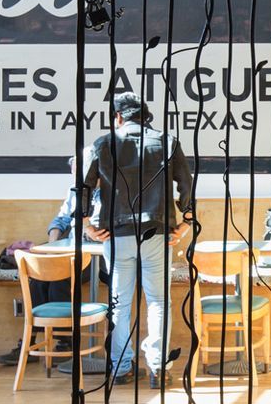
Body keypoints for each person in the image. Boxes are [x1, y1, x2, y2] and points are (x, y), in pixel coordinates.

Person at [79, 92, 195, 387]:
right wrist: (186, 223)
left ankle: (120, 368)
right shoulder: (166, 142)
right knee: (158, 300)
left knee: (119, 303)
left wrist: (85, 225)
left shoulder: (103, 144)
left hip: (116, 235)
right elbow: (186, 182)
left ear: (118, 117)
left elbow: (81, 184)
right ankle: (158, 368)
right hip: (156, 232)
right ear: (146, 117)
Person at [0, 157, 86, 368]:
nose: (75, 175)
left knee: (59, 279)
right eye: (73, 171)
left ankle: (65, 342)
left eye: (79, 170)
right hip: (67, 252)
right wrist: (54, 244)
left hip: (94, 257)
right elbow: (60, 220)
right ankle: (30, 341)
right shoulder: (74, 191)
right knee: (37, 276)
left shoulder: (106, 191)